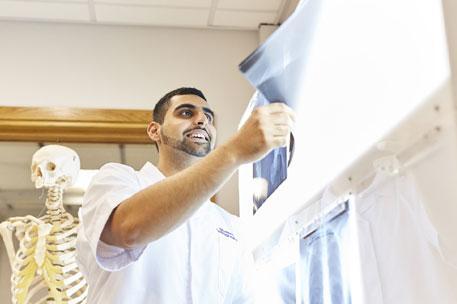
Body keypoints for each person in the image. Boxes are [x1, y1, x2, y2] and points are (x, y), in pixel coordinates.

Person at [76, 87, 294, 303]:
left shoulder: (230, 227)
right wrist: (233, 152)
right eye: (186, 113)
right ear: (154, 131)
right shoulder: (115, 180)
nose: (202, 121)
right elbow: (129, 230)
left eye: (208, 117)